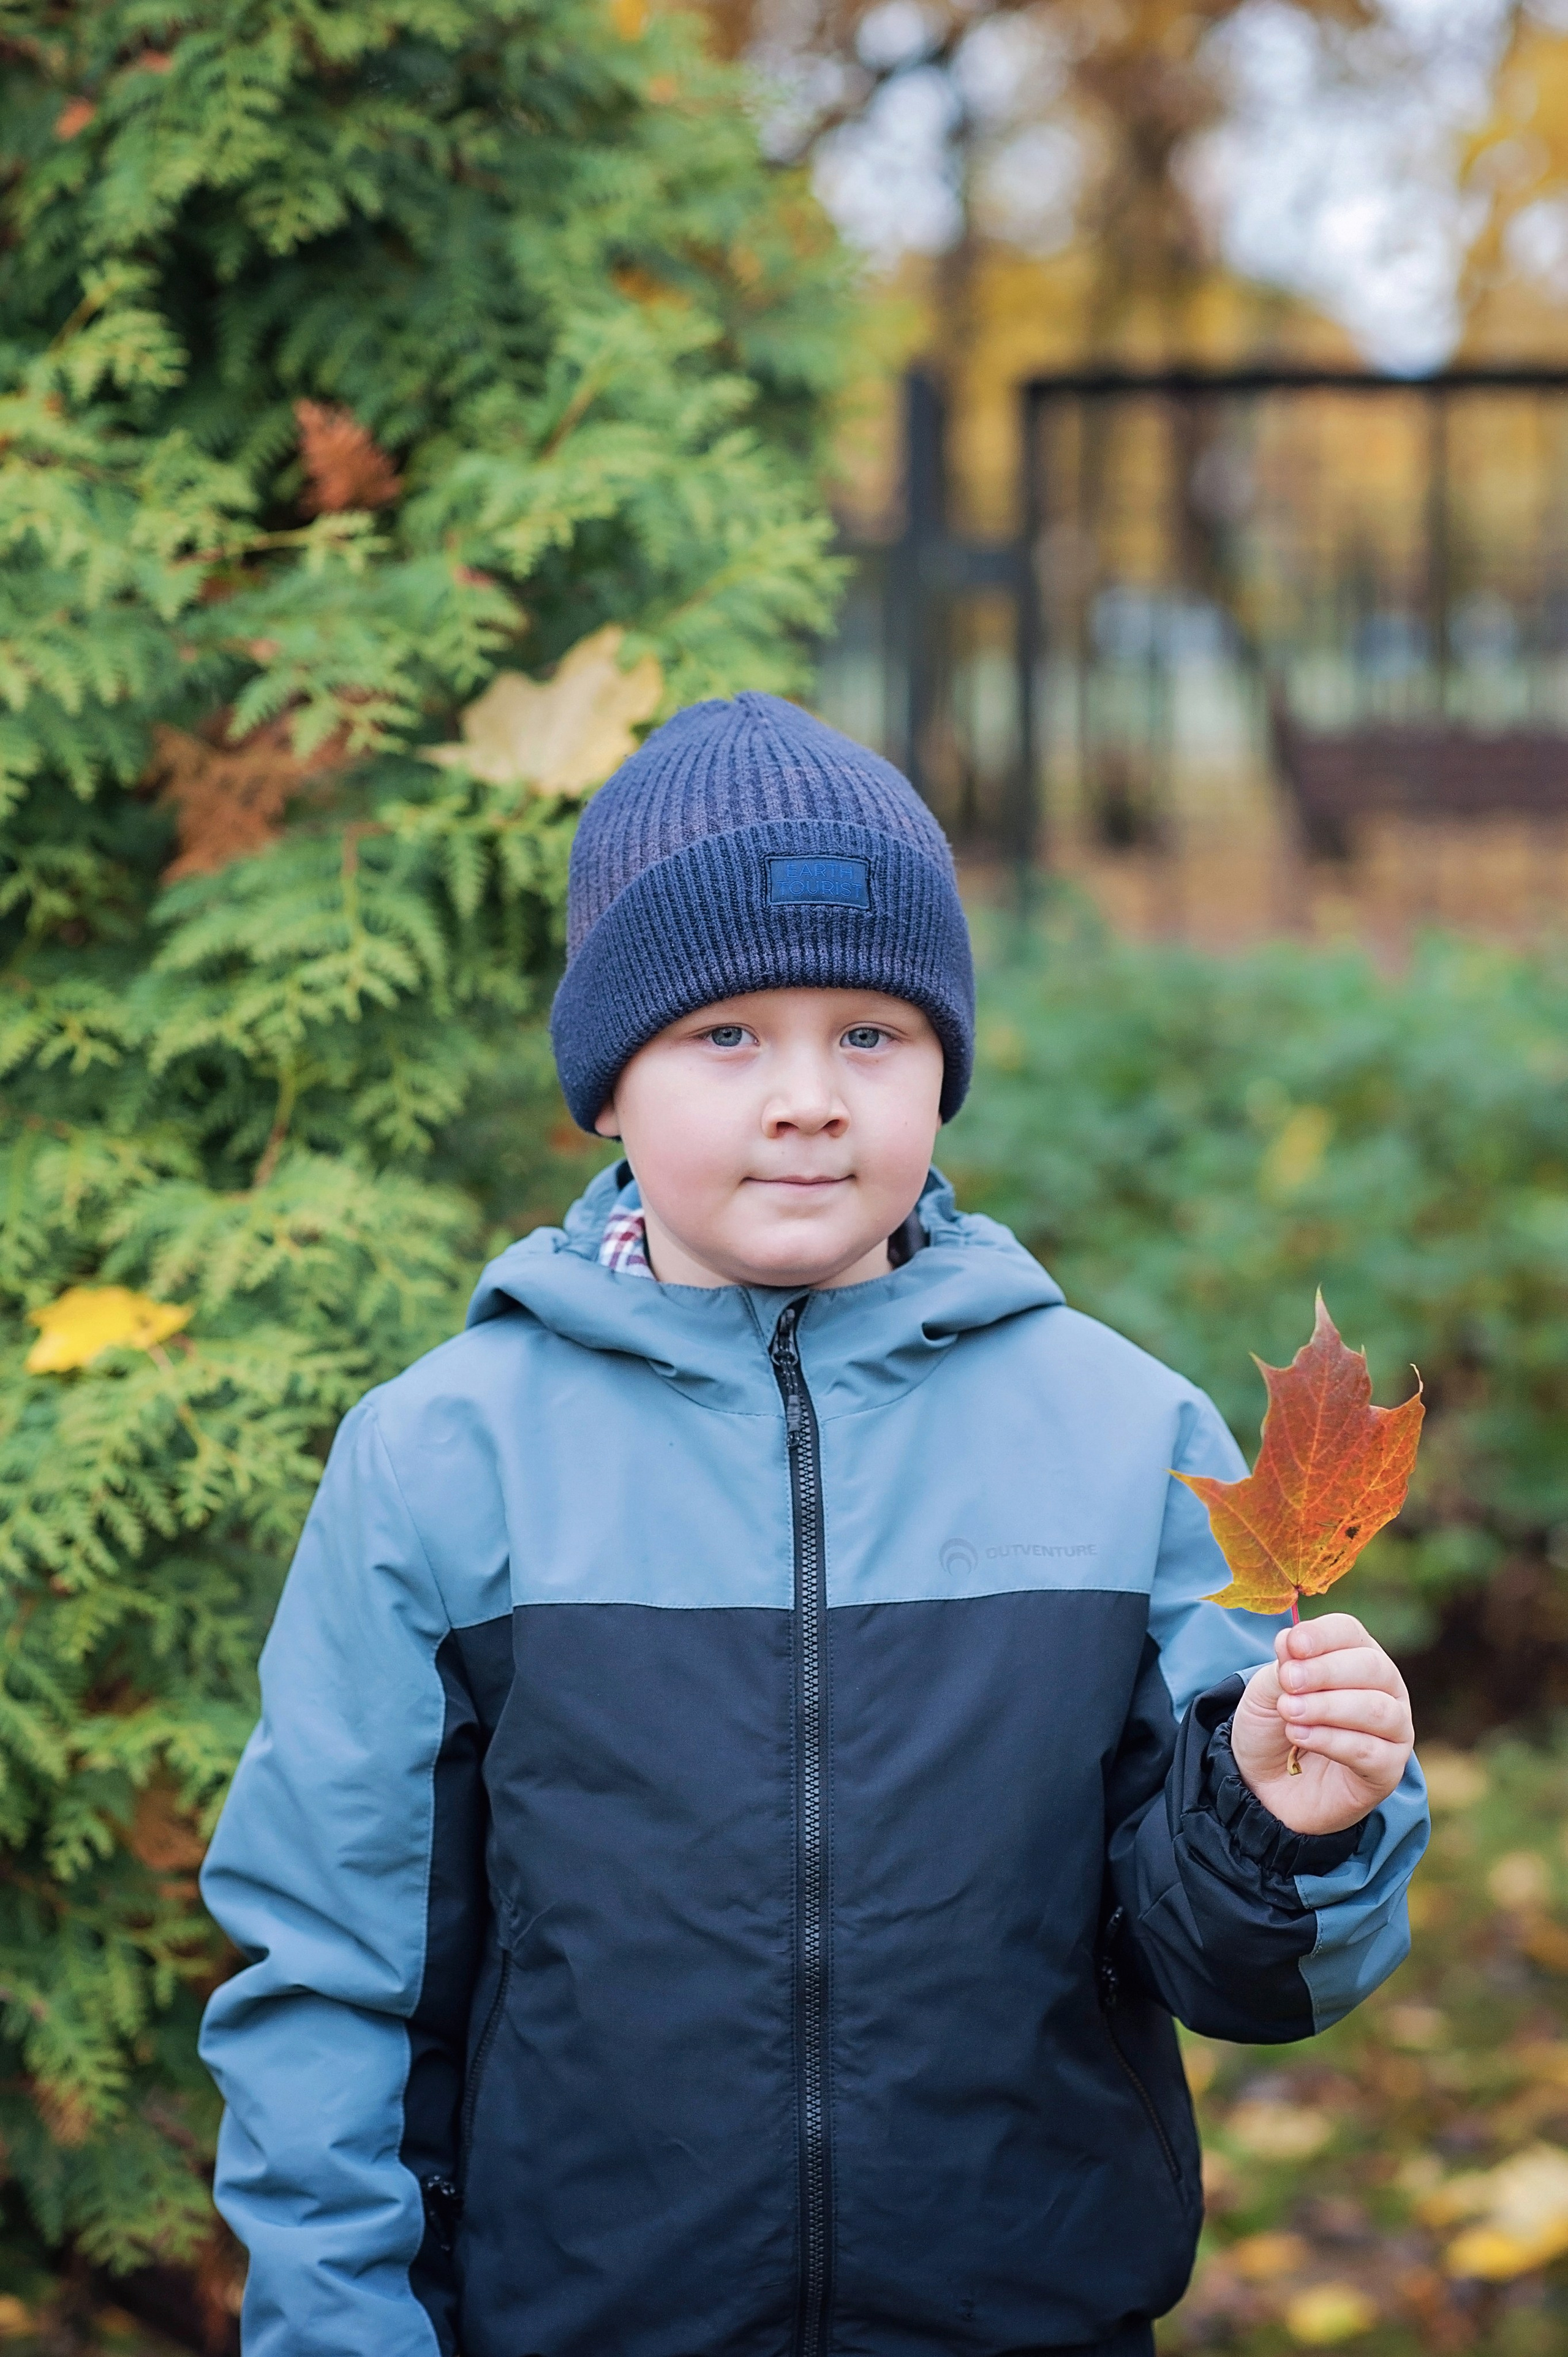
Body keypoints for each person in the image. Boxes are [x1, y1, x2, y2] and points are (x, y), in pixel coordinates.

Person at [199, 693, 1427, 2357]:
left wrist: (1286, 1828)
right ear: (607, 1083)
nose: (808, 1098)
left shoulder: (1123, 1440)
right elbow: (335, 1978)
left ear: (945, 1071)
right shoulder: (443, 1462)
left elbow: (1242, 1977)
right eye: (726, 1036)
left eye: (871, 1035)